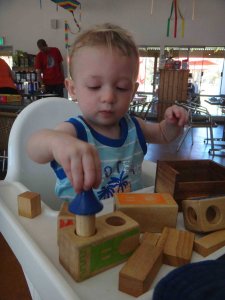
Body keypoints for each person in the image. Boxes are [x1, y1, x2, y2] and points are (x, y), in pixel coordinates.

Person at [27, 23, 188, 202]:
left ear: (133, 92)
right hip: (83, 224)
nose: (109, 97)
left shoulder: (135, 126)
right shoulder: (75, 132)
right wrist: (56, 142)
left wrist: (172, 123)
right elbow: (34, 148)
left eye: (121, 87)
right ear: (72, 89)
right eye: (95, 86)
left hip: (131, 218)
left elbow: (164, 135)